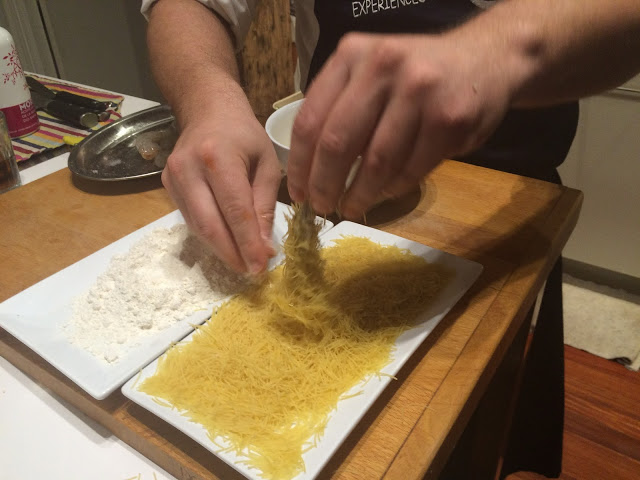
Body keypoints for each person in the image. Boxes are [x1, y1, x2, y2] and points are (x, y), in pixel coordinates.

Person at [141, 0, 640, 477]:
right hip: (329, 182)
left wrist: (499, 50)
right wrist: (210, 99)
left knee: (474, 433)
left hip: (505, 204)